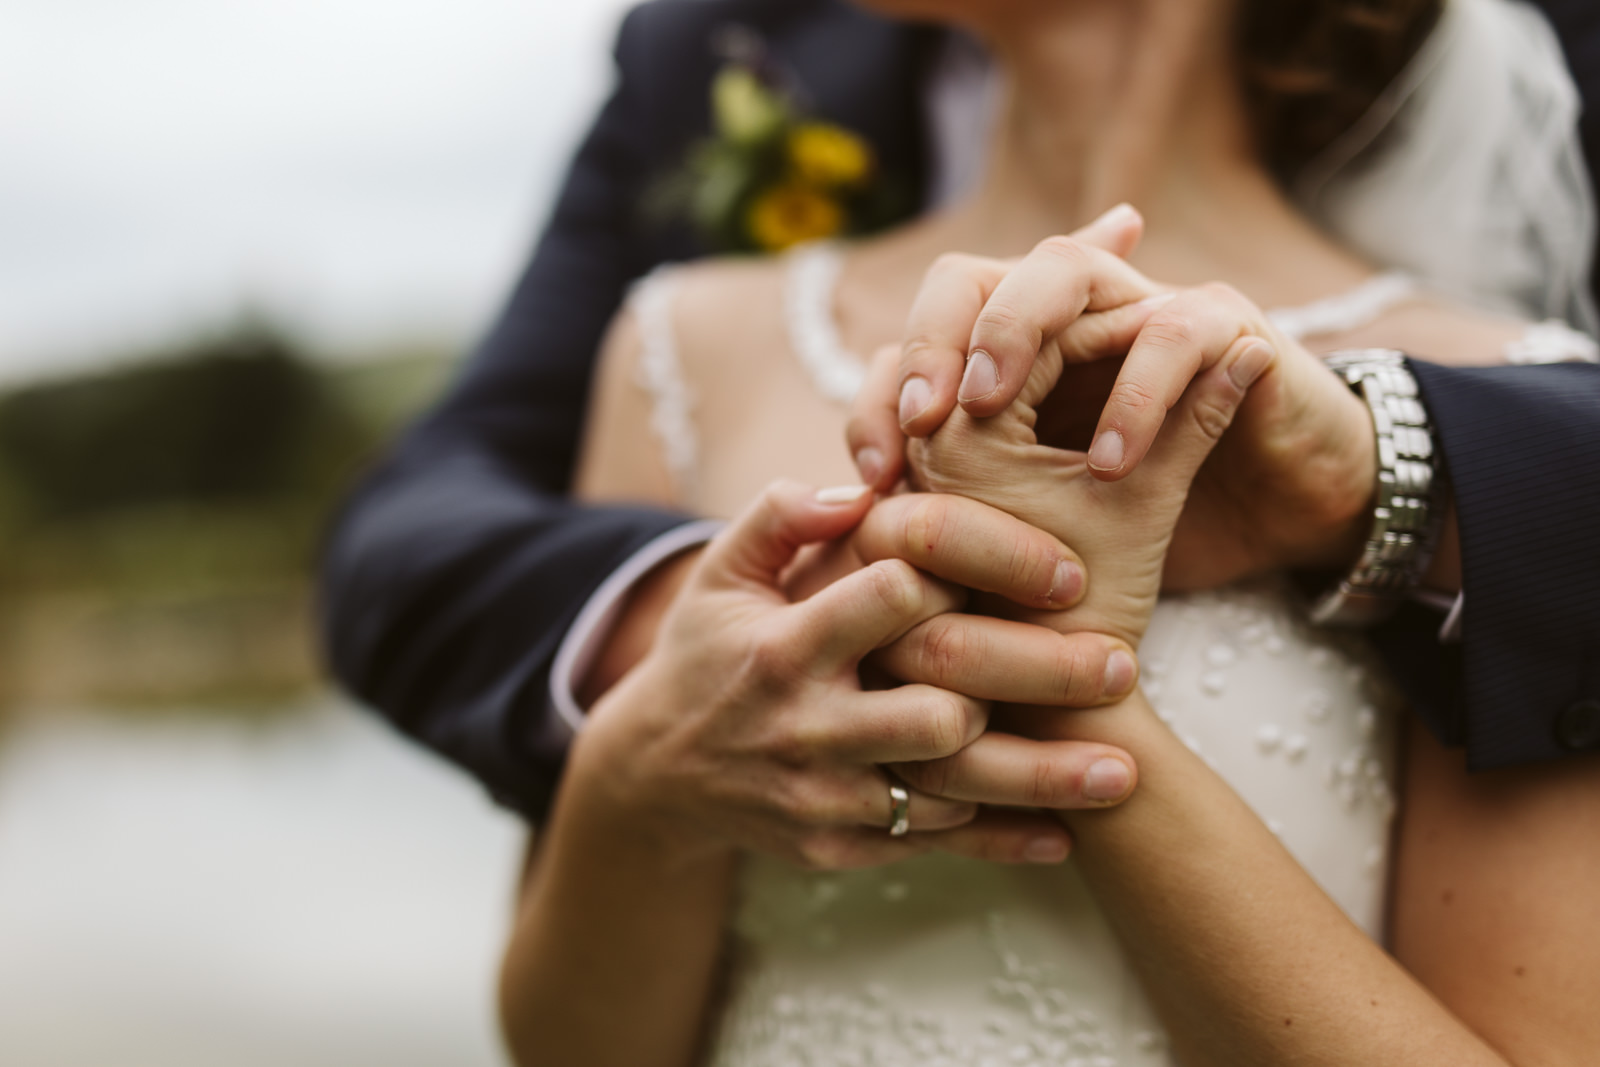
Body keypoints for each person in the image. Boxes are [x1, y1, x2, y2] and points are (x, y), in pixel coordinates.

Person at [495, 0, 1600, 1062]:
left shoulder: (1510, 442)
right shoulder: (684, 348)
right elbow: (563, 1045)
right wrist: (637, 775)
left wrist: (1058, 684)